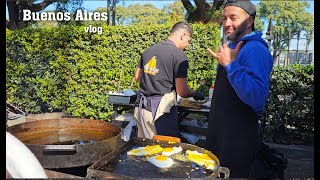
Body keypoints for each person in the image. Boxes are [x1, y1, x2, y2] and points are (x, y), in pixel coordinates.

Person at [206, 0, 273, 178]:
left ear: (249, 21)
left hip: (237, 143)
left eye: (233, 18)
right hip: (221, 137)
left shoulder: (255, 49)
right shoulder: (233, 47)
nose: (227, 23)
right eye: (224, 18)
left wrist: (230, 65)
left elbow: (258, 97)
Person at [133, 22, 205, 139]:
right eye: (188, 40)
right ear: (183, 35)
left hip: (142, 109)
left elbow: (137, 77)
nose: (187, 45)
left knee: (144, 149)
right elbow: (182, 91)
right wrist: (194, 93)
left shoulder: (148, 51)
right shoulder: (179, 56)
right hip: (161, 112)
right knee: (165, 150)